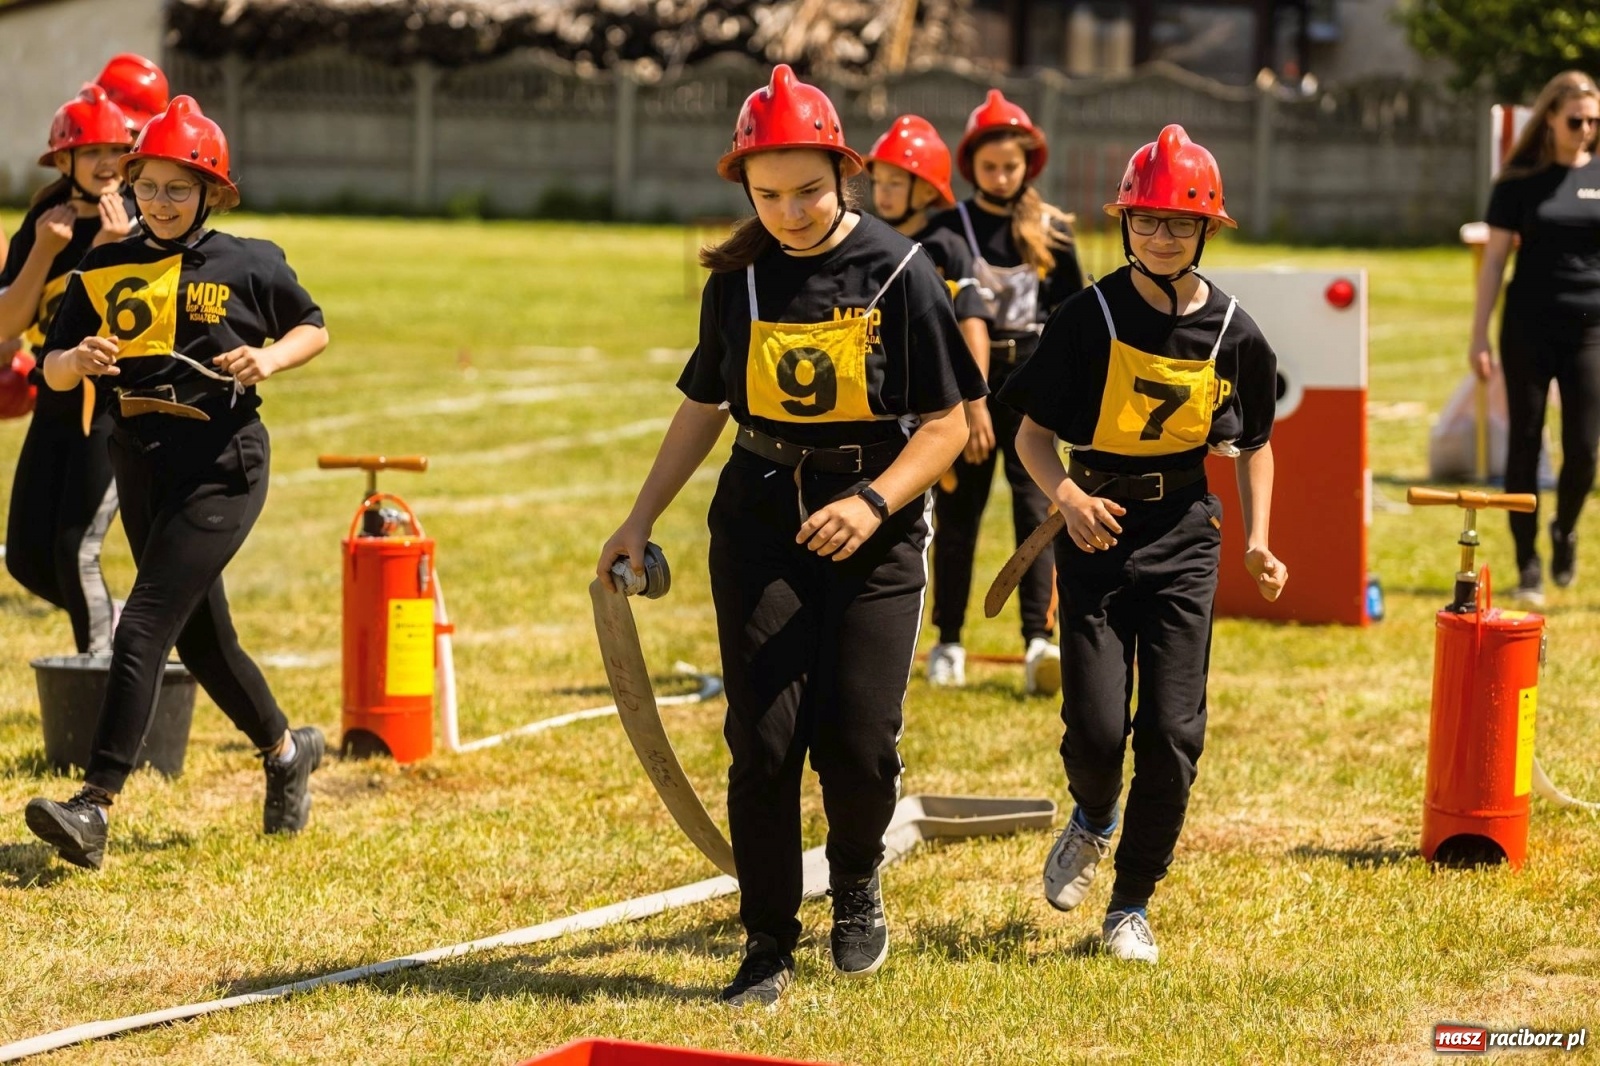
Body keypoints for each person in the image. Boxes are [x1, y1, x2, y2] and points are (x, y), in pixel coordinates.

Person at [596, 65, 979, 1006]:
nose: (790, 213)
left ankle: (856, 880)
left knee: (857, 743)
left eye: (808, 190)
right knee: (763, 743)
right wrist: (639, 519)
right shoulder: (737, 279)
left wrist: (874, 503)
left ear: (845, 172)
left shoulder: (902, 270)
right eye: (767, 196)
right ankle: (767, 940)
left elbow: (949, 427)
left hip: (876, 526)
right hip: (760, 517)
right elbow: (704, 404)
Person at [998, 125, 1287, 963]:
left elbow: (1254, 443)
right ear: (1125, 222)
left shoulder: (1235, 331)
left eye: (1180, 222)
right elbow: (1031, 435)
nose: (1161, 236)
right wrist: (1067, 497)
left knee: (1172, 732)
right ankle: (1094, 815)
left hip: (1185, 533)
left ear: (1207, 230)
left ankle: (1131, 903)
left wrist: (1260, 540)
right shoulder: (1085, 317)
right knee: (1095, 730)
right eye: (1146, 220)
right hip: (1095, 529)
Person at [23, 96, 331, 871]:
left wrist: (268, 358)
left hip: (223, 467)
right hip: (141, 463)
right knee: (204, 641)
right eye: (149, 186)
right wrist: (75, 360)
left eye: (179, 188)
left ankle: (94, 805)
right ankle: (286, 751)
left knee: (142, 626)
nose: (161, 202)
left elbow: (314, 325)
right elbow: (50, 369)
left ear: (211, 192)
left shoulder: (249, 261)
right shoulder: (102, 268)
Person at [921, 90, 1084, 694]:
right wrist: (967, 401)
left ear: (1028, 164)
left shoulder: (1053, 228)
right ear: (970, 166)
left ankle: (1040, 640)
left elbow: (1073, 315)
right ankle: (948, 640)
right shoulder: (946, 228)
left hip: (1031, 387)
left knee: (1037, 511)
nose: (1000, 176)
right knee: (958, 515)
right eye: (989, 166)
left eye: (1010, 166)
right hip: (970, 385)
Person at [0, 84, 140, 654]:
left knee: (73, 549)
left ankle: (104, 672)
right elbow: (9, 322)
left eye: (117, 150)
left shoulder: (138, 220)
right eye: (93, 152)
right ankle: (121, 622)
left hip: (109, 406)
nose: (108, 163)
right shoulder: (44, 220)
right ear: (65, 162)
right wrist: (43, 250)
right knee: (26, 558)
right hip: (54, 396)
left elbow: (112, 322)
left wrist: (106, 247)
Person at [1469, 70, 1600, 602]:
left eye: (1594, 121)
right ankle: (1527, 563)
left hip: (1590, 330)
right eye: (1576, 120)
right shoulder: (1518, 181)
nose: (1586, 130)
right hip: (1528, 327)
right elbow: (1494, 261)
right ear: (1550, 118)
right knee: (1524, 443)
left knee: (1584, 448)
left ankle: (1564, 529)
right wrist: (1478, 335)